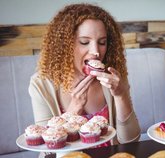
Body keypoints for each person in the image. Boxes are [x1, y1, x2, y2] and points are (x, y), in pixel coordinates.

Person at [28, 3, 141, 145]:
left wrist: (121, 95)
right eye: (84, 42)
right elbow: (47, 150)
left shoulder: (113, 77)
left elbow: (131, 141)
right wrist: (72, 112)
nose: (96, 51)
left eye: (102, 42)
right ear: (66, 44)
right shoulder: (41, 84)